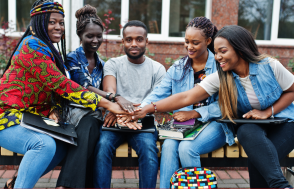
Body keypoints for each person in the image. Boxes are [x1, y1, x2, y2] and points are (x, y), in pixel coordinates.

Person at [123, 25, 294, 188]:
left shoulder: (269, 66)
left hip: (286, 122)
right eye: (217, 52)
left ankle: (280, 185)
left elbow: (292, 91)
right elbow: (186, 97)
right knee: (245, 131)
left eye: (223, 51)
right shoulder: (222, 77)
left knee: (259, 160)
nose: (218, 56)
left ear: (240, 50)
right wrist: (147, 109)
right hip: (255, 127)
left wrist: (268, 112)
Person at [0, 1, 127, 188]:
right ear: (38, 23)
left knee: (63, 145)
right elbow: (62, 85)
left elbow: (55, 92)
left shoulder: (49, 48)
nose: (58, 27)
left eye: (61, 23)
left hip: (27, 117)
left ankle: (15, 183)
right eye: (52, 22)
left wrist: (55, 109)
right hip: (2, 116)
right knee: (43, 145)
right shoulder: (32, 46)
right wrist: (108, 104)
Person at [140, 17, 234, 188]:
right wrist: (137, 111)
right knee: (168, 145)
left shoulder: (221, 66)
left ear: (208, 41)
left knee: (186, 148)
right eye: (186, 41)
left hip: (216, 123)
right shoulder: (178, 67)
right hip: (185, 125)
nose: (189, 47)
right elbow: (157, 95)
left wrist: (197, 112)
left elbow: (228, 104)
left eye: (195, 43)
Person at [93, 20, 166, 188]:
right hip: (114, 121)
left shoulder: (157, 69)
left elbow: (156, 99)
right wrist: (118, 102)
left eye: (139, 39)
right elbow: (109, 90)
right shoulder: (113, 64)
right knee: (102, 148)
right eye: (129, 39)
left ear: (147, 41)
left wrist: (124, 111)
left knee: (149, 151)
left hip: (143, 122)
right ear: (123, 42)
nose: (134, 44)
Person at [55, 4, 113, 188]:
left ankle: (65, 185)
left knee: (90, 129)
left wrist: (109, 99)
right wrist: (113, 97)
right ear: (80, 36)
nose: (95, 40)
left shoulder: (102, 64)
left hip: (93, 115)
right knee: (88, 130)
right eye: (90, 36)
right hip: (73, 114)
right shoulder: (73, 58)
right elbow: (83, 87)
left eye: (98, 36)